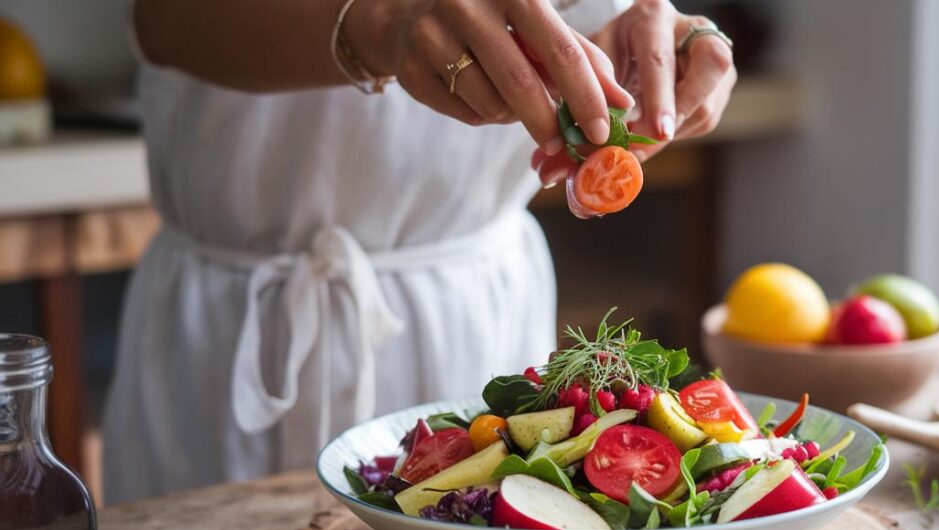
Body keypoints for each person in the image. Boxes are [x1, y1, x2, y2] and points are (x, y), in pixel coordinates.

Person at [105, 0, 736, 503]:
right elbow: (157, 20)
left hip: (474, 312)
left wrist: (662, 30)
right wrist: (380, 21)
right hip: (236, 332)